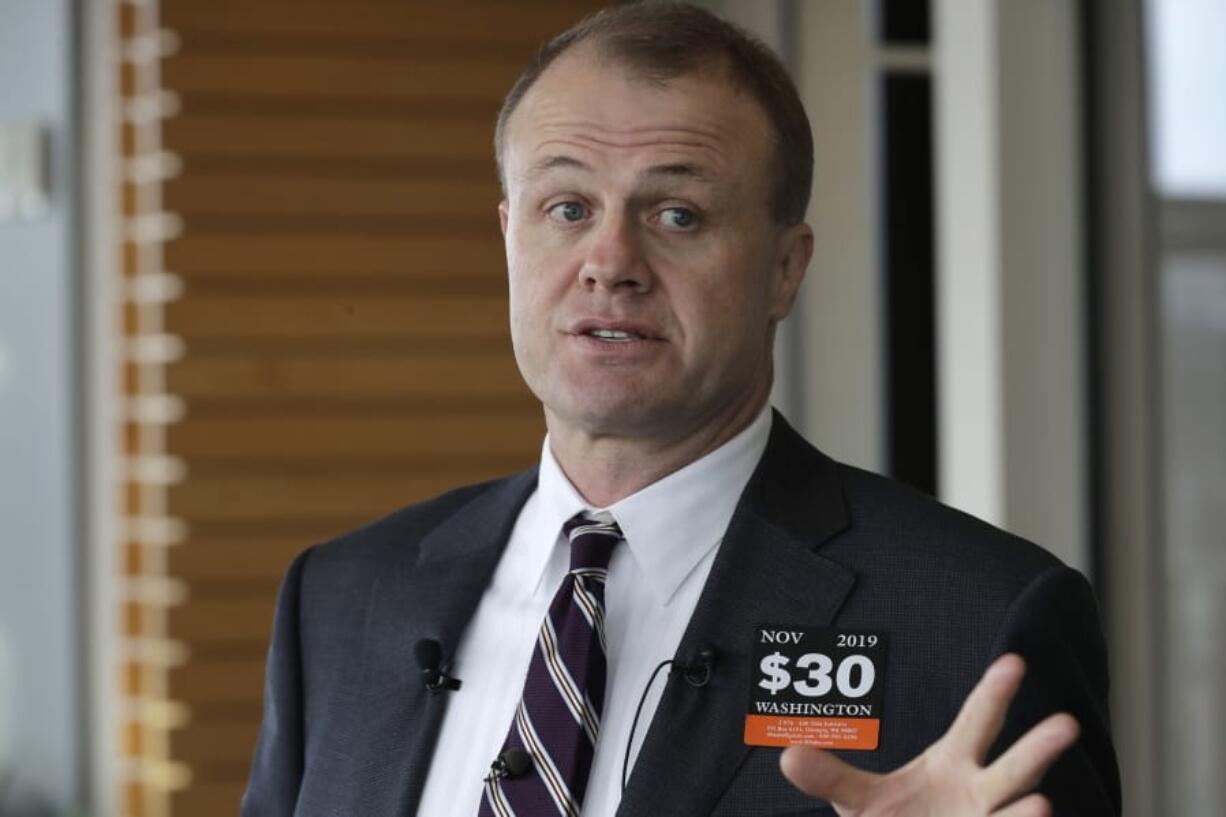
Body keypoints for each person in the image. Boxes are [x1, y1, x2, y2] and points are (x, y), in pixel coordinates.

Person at [241, 4, 1121, 816]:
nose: (610, 260)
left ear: (785, 268)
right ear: (508, 233)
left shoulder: (978, 621)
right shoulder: (342, 598)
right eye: (568, 206)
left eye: (678, 213)